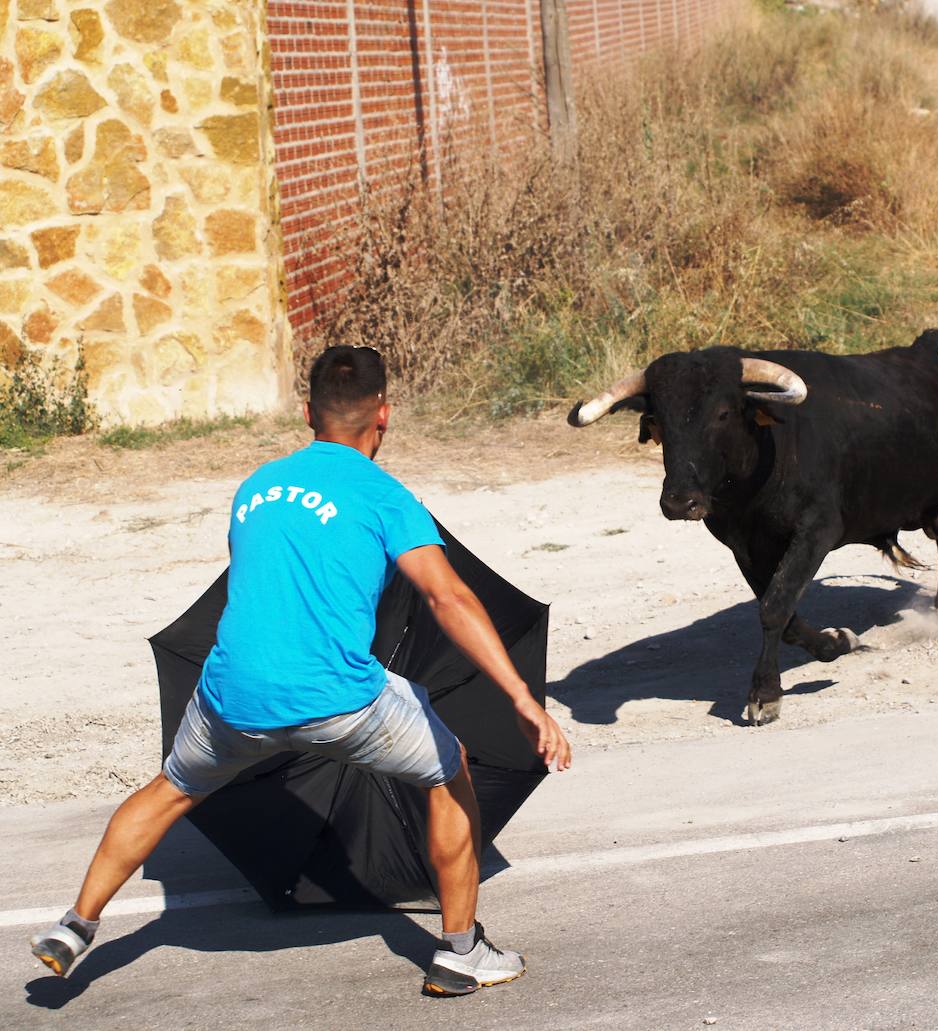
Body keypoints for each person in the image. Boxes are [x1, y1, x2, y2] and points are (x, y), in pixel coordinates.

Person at [28, 345, 571, 998]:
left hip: (228, 700)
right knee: (448, 765)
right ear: (385, 416)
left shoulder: (257, 487)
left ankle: (75, 924)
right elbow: (447, 597)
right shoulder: (385, 496)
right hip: (340, 701)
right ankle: (461, 952)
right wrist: (522, 698)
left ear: (308, 412)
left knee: (170, 786)